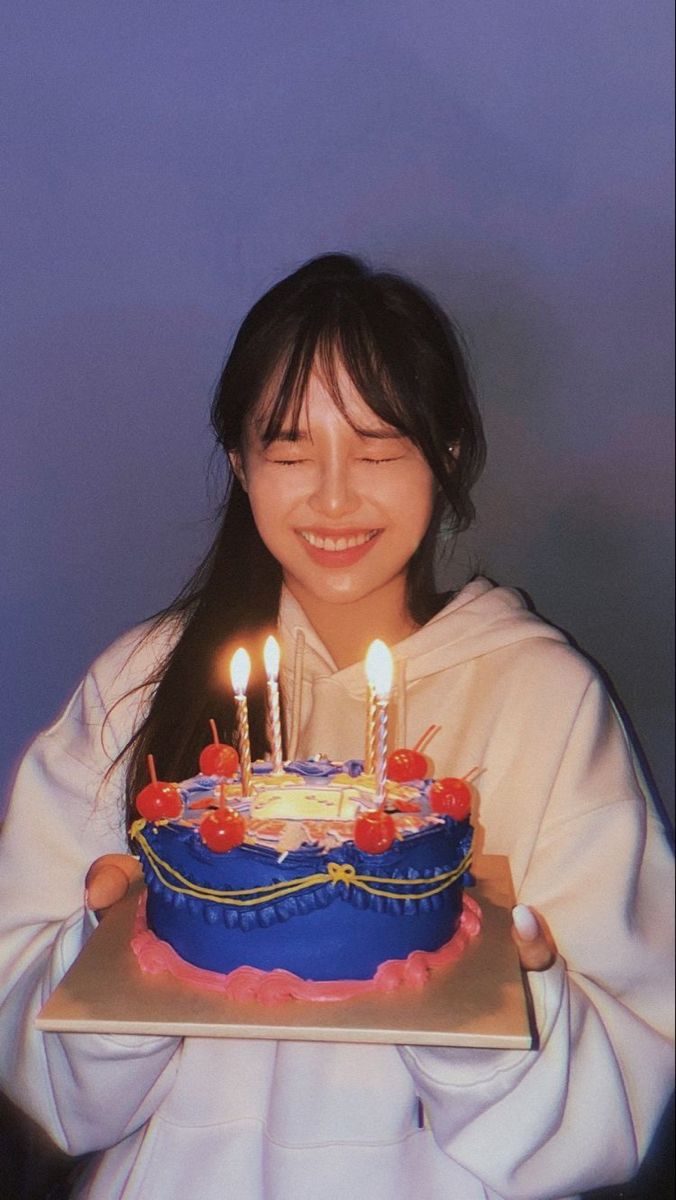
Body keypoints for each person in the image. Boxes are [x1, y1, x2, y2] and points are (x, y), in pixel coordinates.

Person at [0, 253, 672, 1200]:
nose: (332, 497)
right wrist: (119, 956)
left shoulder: (545, 701)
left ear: (444, 453)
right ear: (239, 463)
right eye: (287, 450)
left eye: (377, 446)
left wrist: (511, 1003)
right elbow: (43, 1075)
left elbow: (616, 1102)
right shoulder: (139, 682)